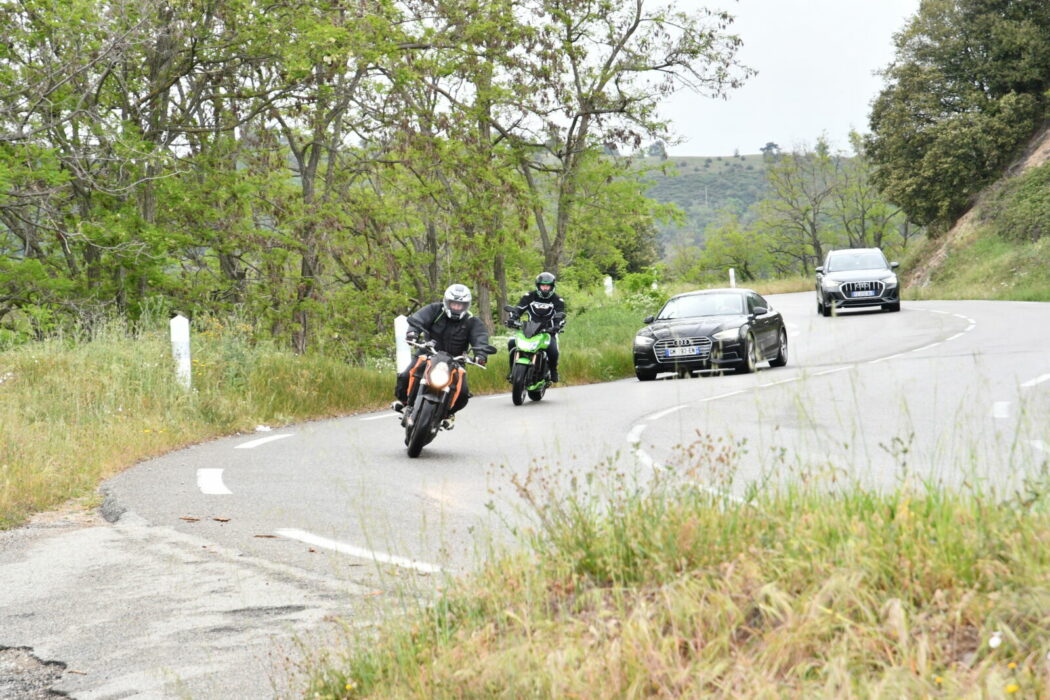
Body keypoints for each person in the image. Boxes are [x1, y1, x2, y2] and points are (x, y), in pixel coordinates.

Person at [392, 283, 491, 429]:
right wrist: (413, 333)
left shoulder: (472, 321)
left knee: (463, 393)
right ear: (446, 302)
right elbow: (418, 319)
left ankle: (449, 413)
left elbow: (480, 338)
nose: (457, 307)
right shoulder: (434, 310)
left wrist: (480, 355)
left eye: (461, 305)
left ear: (467, 305)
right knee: (406, 376)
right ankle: (405, 402)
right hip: (428, 353)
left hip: (455, 361)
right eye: (454, 304)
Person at [507, 271, 566, 382]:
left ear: (552, 287)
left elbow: (560, 315)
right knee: (511, 343)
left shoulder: (558, 300)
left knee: (553, 350)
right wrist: (512, 318)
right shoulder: (529, 296)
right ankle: (512, 371)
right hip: (530, 329)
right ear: (538, 286)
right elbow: (519, 309)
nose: (545, 288)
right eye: (543, 285)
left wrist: (557, 326)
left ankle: (553, 370)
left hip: (548, 331)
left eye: (547, 286)